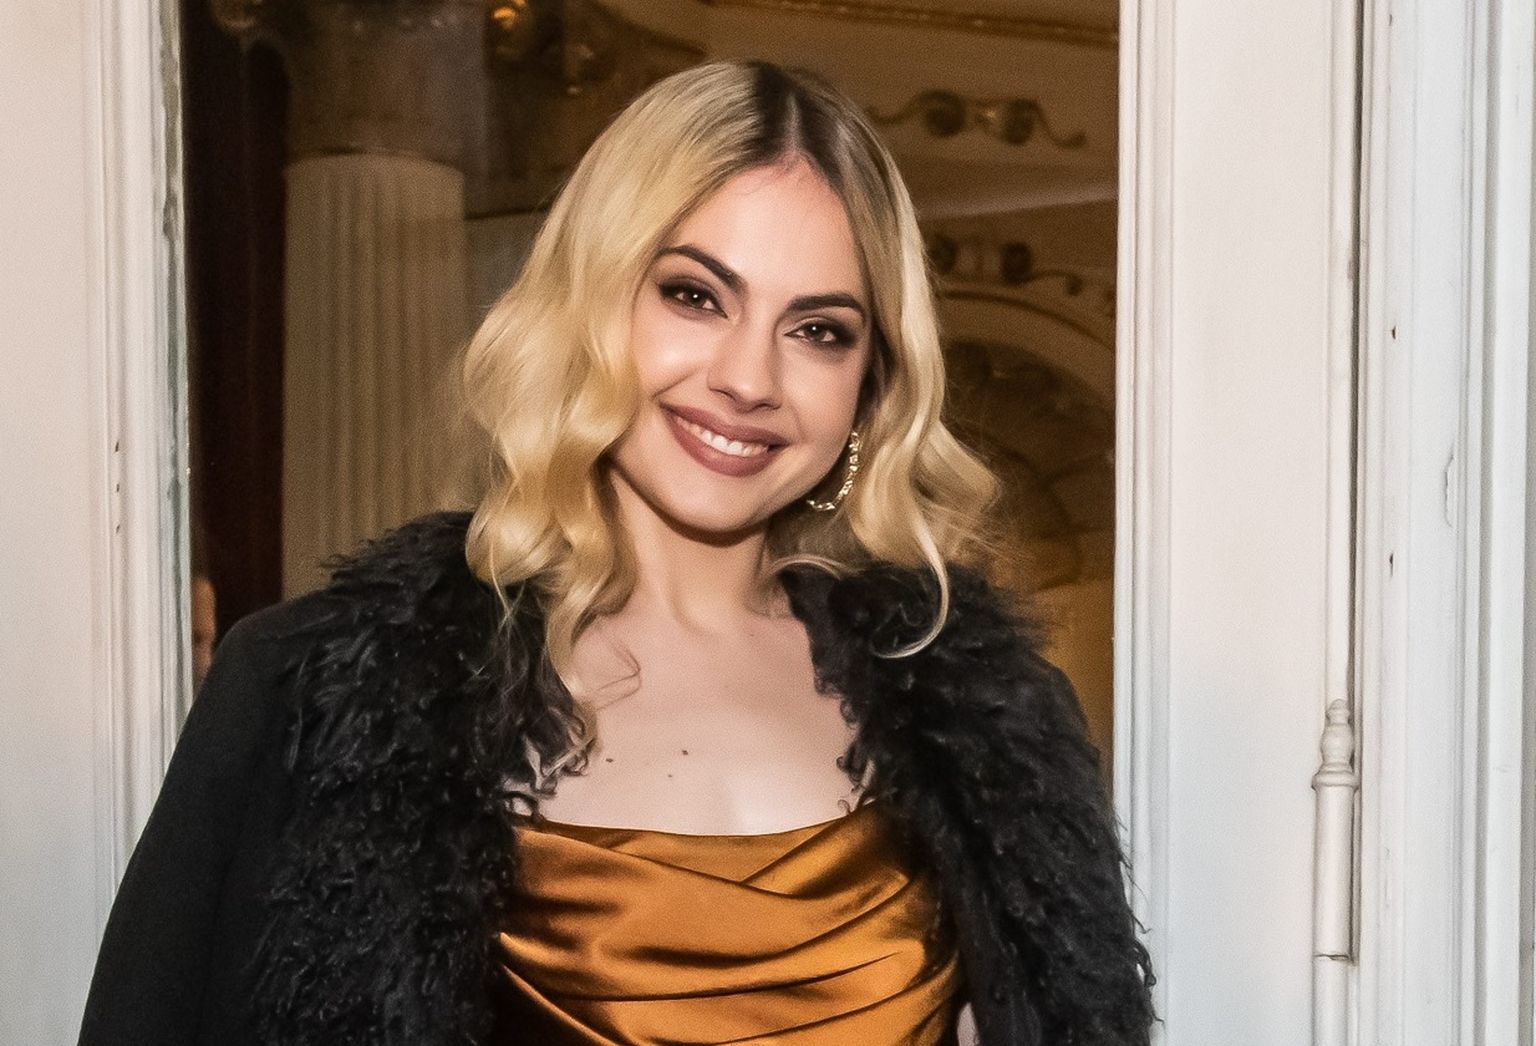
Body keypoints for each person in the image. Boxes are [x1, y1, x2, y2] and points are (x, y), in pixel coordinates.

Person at [77, 59, 1156, 1046]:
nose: (749, 378)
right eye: (694, 295)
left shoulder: (989, 728)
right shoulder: (318, 695)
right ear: (590, 300)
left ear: (871, 387)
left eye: (819, 330)